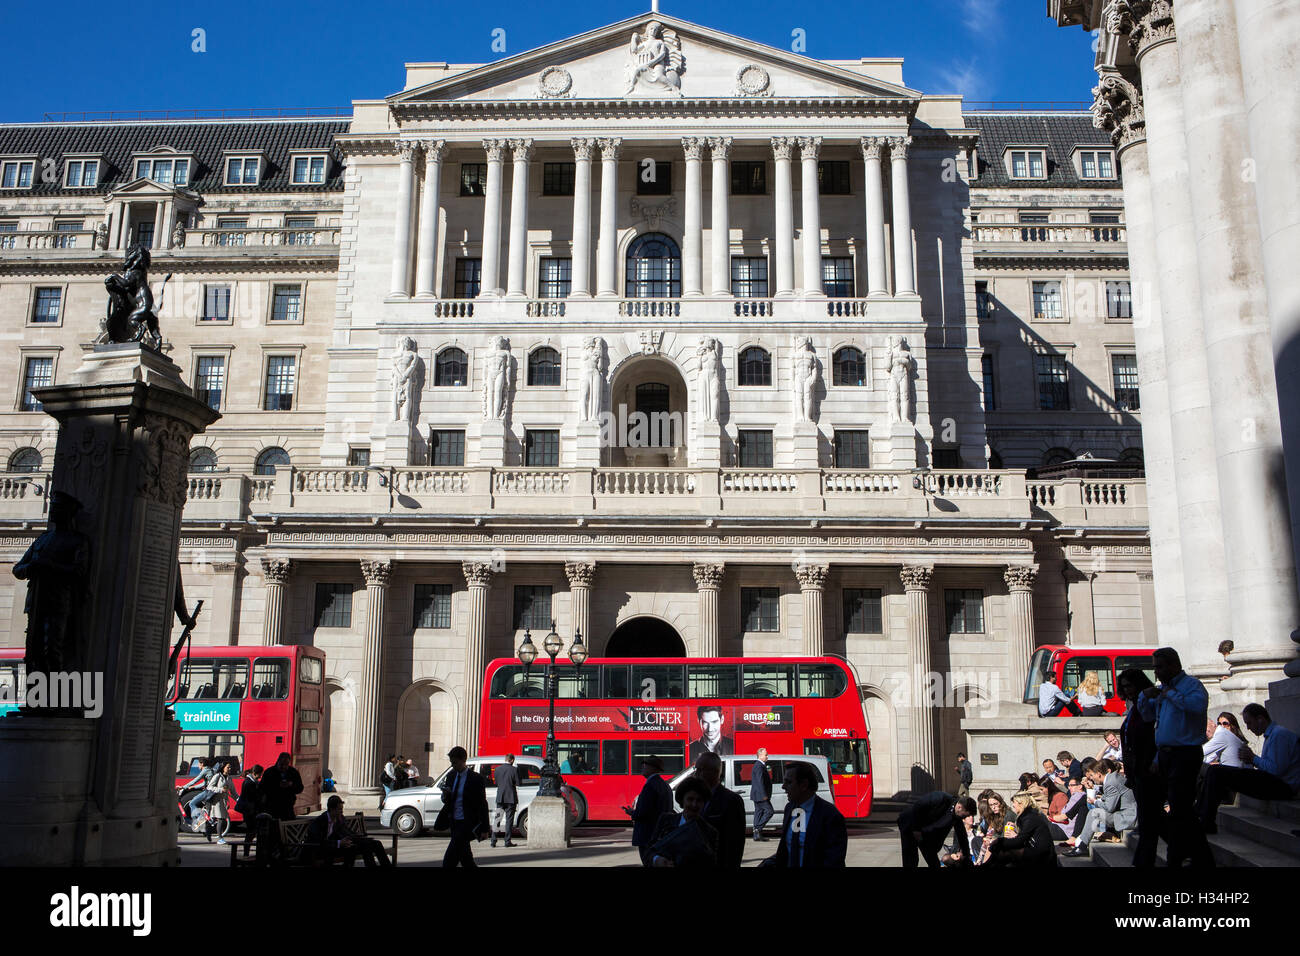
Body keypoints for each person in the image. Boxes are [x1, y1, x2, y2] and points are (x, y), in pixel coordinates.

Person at [1137, 647, 1214, 867]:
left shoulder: (1192, 686)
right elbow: (1149, 715)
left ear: (1173, 665)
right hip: (1165, 755)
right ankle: (1198, 856)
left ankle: (1181, 856)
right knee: (1166, 808)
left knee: (1181, 807)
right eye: (1155, 668)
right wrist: (1145, 696)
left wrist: (1169, 694)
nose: (1157, 672)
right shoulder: (1163, 690)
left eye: (1160, 667)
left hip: (1185, 754)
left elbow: (1196, 707)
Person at [1197, 704, 1300, 833]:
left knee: (1217, 772)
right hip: (1274, 781)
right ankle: (1200, 815)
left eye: (1249, 723)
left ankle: (1206, 821)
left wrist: (1253, 758)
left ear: (1260, 719)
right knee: (1214, 771)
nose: (1248, 728)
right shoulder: (1272, 736)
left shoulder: (1280, 735)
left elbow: (1276, 770)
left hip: (1283, 786)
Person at [762, 762, 848, 868]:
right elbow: (787, 850)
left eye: (788, 782)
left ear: (803, 785)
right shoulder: (789, 808)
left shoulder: (830, 815)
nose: (783, 787)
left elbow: (834, 859)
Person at [1117, 667, 1160, 867]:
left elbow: (1153, 734)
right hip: (1137, 772)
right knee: (1152, 819)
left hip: (1147, 769)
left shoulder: (1147, 704)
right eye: (1124, 687)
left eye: (1131, 686)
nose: (1128, 691)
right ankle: (1189, 849)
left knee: (1149, 820)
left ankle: (1142, 862)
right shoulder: (1134, 707)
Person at [1066, 759, 1136, 856]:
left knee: (1094, 813)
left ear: (1099, 774)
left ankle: (1082, 847)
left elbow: (1109, 807)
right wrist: (1095, 790)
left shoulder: (1111, 783)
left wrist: (1095, 801)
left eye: (1092, 775)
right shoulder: (1114, 778)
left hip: (1128, 818)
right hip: (1129, 814)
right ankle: (1084, 842)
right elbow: (1112, 795)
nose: (1091, 778)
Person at [435, 747, 490, 867]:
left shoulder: (476, 779)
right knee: (466, 858)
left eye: (455, 762)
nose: (453, 765)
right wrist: (446, 795)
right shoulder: (451, 776)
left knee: (449, 860)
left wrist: (485, 828)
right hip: (454, 821)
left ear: (463, 760)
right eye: (451, 762)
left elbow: (482, 803)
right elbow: (446, 800)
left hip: (467, 822)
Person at [649, 776, 719, 867]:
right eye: (690, 799)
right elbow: (650, 850)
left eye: (699, 800)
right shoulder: (665, 820)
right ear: (682, 800)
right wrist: (657, 860)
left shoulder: (710, 832)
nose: (694, 805)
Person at [897, 790, 977, 868]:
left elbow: (962, 835)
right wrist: (916, 829)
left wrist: (966, 856)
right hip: (910, 824)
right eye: (966, 815)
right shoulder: (940, 798)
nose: (965, 818)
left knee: (934, 863)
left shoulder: (957, 816)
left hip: (925, 832)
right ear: (959, 807)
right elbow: (918, 807)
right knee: (911, 859)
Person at [307, 795, 393, 867]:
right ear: (332, 809)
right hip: (322, 850)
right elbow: (319, 841)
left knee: (374, 844)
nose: (342, 811)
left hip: (339, 846)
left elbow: (347, 832)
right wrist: (339, 843)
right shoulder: (320, 821)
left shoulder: (339, 819)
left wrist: (356, 839)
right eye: (339, 809)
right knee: (358, 848)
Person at [694, 752, 746, 868]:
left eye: (699, 770)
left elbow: (734, 844)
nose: (696, 774)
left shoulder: (732, 801)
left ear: (714, 772)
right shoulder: (696, 798)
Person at [984, 791, 1058, 867]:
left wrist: (999, 842)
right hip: (1035, 851)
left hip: (1043, 857)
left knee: (1004, 851)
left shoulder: (1030, 818)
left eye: (1014, 803)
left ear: (1021, 804)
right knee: (1001, 852)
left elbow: (1019, 841)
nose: (1013, 805)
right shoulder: (1028, 816)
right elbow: (1025, 836)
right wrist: (1015, 828)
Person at [625, 755, 673, 866]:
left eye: (645, 764)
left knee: (648, 861)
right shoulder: (664, 785)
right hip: (659, 833)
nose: (643, 766)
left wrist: (632, 813)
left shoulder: (650, 786)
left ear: (653, 768)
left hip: (647, 835)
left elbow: (644, 813)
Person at [259, 752, 304, 821]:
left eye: (286, 764)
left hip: (287, 806)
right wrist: (277, 786)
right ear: (278, 761)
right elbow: (262, 788)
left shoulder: (293, 772)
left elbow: (300, 788)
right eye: (281, 764)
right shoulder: (269, 772)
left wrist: (291, 785)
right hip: (272, 806)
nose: (283, 767)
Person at [1047, 777, 1089, 843]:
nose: (1069, 788)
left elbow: (1064, 815)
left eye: (1072, 785)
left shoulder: (1078, 795)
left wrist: (1052, 817)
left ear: (1080, 786)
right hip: (1063, 829)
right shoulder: (1079, 796)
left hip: (1064, 830)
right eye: (1069, 785)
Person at [491, 753, 519, 848]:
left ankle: (493, 840)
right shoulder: (514, 770)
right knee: (509, 820)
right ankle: (507, 841)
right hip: (511, 798)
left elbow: (496, 782)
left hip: (500, 797)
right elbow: (518, 783)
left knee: (497, 819)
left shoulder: (497, 769)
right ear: (511, 760)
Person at [234, 764, 264, 852]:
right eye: (260, 774)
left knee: (251, 832)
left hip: (250, 811)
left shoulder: (251, 781)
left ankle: (247, 850)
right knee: (251, 832)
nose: (260, 776)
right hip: (250, 811)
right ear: (255, 773)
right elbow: (253, 797)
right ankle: (246, 851)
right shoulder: (249, 783)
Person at [178, 757, 215, 825]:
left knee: (192, 803)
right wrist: (193, 787)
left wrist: (183, 787)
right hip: (211, 791)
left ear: (202, 764)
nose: (198, 766)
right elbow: (204, 783)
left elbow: (195, 780)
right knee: (200, 804)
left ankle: (200, 817)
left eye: (198, 764)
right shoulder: (210, 770)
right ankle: (206, 820)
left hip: (209, 791)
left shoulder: (205, 770)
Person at [750, 748, 774, 841]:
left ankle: (757, 835)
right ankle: (758, 829)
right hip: (761, 795)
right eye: (766, 755)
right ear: (760, 755)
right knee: (770, 811)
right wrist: (764, 795)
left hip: (757, 795)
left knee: (758, 813)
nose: (767, 756)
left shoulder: (758, 765)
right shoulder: (759, 766)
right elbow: (760, 781)